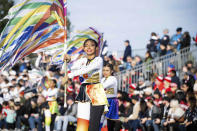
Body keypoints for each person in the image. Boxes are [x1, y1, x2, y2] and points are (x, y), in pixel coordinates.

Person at [64, 38, 108, 131]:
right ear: (83, 48)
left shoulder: (98, 60)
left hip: (96, 91)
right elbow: (72, 67)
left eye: (92, 45)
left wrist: (70, 75)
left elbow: (87, 69)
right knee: (82, 121)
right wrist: (68, 60)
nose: (89, 47)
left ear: (96, 48)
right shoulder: (82, 60)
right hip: (84, 91)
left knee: (94, 123)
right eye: (86, 45)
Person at [101, 63, 119, 131]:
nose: (105, 72)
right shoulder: (102, 79)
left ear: (111, 71)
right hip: (103, 101)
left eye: (107, 70)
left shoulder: (112, 78)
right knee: (101, 120)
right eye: (104, 70)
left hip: (111, 101)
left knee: (110, 123)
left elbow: (102, 87)